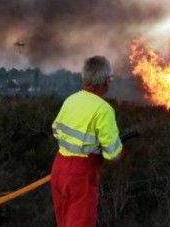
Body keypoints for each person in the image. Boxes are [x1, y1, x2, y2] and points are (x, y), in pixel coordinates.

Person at [51, 56, 123, 227]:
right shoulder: (103, 109)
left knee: (64, 221)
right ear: (105, 81)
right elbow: (113, 154)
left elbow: (55, 130)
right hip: (81, 175)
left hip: (59, 168)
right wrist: (116, 150)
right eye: (110, 79)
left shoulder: (71, 100)